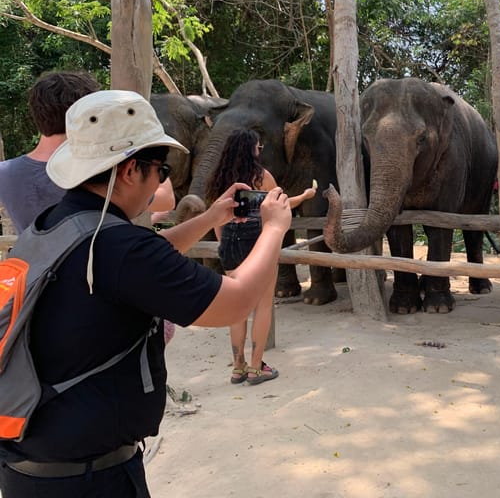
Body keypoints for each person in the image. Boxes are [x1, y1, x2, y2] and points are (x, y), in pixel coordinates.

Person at [0, 90, 295, 498]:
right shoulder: (120, 249)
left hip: (29, 469)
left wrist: (211, 218)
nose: (162, 181)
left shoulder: (59, 225)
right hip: (87, 481)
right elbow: (238, 301)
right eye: (160, 170)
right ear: (129, 171)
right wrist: (275, 229)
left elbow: (143, 258)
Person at [205, 129, 280, 386]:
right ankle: (257, 367)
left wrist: (224, 241)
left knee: (237, 307)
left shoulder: (220, 179)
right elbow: (276, 208)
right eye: (258, 147)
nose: (260, 152)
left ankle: (238, 367)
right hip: (256, 241)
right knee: (263, 304)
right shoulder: (262, 177)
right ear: (252, 150)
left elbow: (217, 220)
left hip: (229, 240)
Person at [0, 71, 100, 233]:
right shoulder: (99, 170)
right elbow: (152, 198)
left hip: (31, 258)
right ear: (85, 113)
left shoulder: (5, 173)